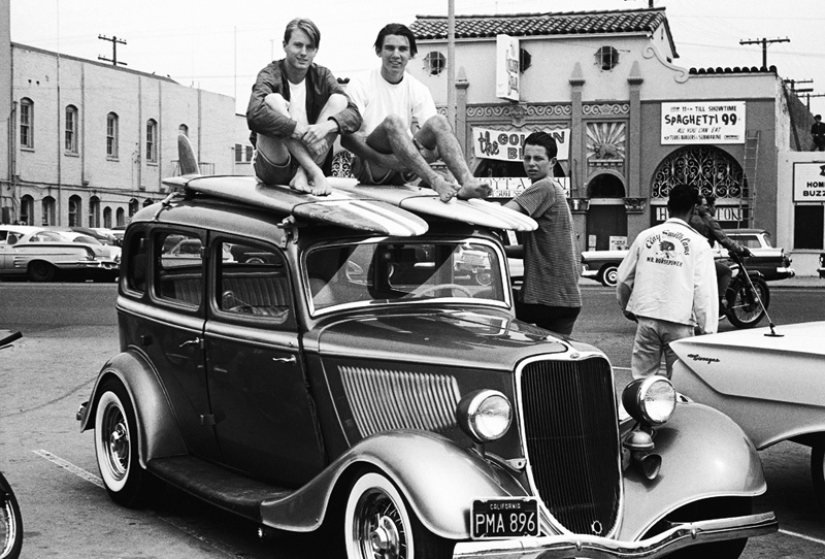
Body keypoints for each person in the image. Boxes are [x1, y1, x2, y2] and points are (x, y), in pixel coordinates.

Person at [341, 23, 490, 202]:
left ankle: (467, 181)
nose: (396, 54)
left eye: (402, 49)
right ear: (379, 52)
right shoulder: (361, 83)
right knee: (393, 123)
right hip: (370, 166)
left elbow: (435, 144)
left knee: (440, 122)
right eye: (390, 48)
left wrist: (407, 158)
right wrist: (383, 159)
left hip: (404, 169)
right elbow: (347, 138)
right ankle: (435, 180)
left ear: (411, 55)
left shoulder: (418, 89)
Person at [247, 18, 362, 195]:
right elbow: (254, 114)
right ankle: (314, 172)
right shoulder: (270, 74)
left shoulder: (322, 75)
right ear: (285, 45)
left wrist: (325, 127)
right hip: (275, 165)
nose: (303, 52)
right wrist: (300, 131)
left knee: (339, 101)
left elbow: (354, 115)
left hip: (309, 164)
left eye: (309, 47)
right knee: (272, 100)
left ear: (316, 50)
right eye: (297, 45)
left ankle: (303, 172)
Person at [616, 184, 718, 379]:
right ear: (693, 209)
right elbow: (704, 292)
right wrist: (708, 332)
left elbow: (623, 279)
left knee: (643, 381)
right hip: (679, 323)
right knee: (679, 382)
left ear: (668, 207)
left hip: (647, 318)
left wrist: (628, 308)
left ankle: (639, 409)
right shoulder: (698, 244)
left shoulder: (645, 237)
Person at [503, 132, 582, 336]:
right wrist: (501, 251)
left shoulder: (545, 186)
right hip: (566, 299)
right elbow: (537, 248)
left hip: (545, 299)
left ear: (552, 162)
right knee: (554, 362)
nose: (531, 163)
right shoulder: (556, 191)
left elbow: (501, 215)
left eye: (538, 158)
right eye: (527, 158)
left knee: (492, 304)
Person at [690, 194, 751, 307]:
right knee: (726, 271)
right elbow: (723, 238)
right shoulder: (707, 220)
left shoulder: (690, 218)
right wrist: (741, 249)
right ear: (697, 206)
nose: (708, 208)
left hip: (690, 258)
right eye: (705, 205)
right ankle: (718, 303)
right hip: (699, 260)